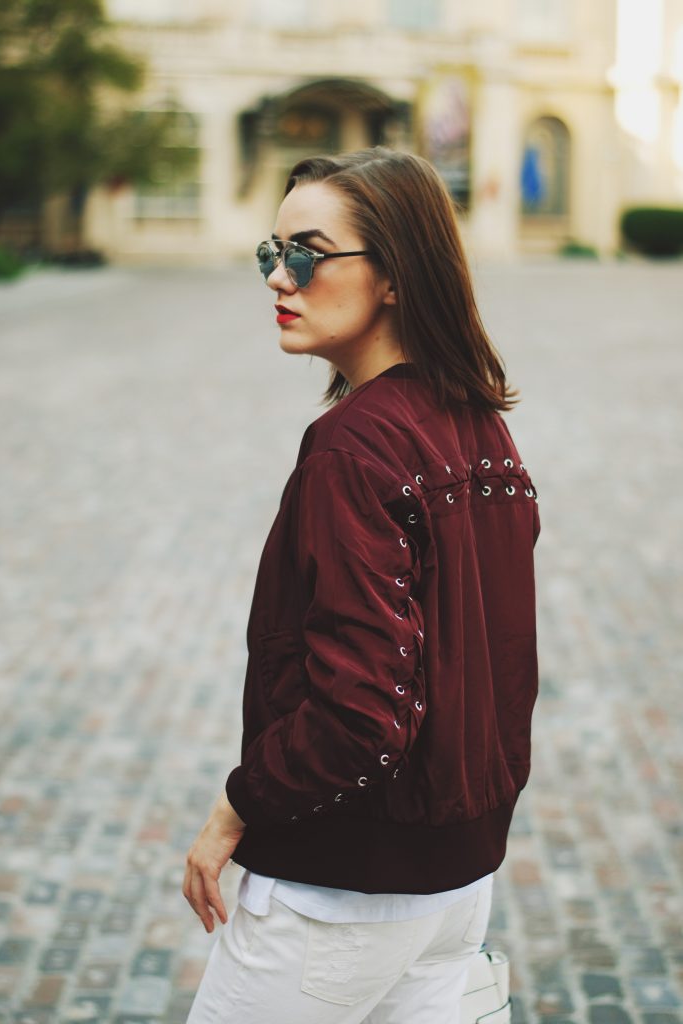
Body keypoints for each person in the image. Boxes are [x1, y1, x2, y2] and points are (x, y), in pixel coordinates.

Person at [182, 146, 540, 1024]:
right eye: (273, 253)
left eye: (307, 252)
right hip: (456, 889)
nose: (280, 277)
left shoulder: (354, 447)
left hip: (333, 901)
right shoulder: (479, 428)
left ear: (393, 276)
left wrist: (235, 807)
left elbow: (360, 713)